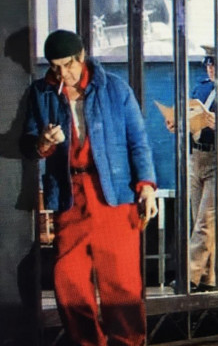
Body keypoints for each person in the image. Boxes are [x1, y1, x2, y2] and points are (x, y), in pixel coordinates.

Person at [20, 29, 158, 345]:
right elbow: (28, 143)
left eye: (67, 65)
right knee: (68, 281)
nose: (62, 74)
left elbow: (138, 141)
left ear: (81, 57)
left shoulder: (115, 89)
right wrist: (43, 142)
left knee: (121, 284)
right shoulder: (41, 93)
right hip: (69, 195)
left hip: (114, 195)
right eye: (54, 67)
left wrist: (147, 187)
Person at [165, 45, 218, 292]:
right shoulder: (201, 89)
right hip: (196, 157)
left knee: (205, 222)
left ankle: (188, 277)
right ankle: (208, 278)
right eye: (207, 64)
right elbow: (192, 119)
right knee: (201, 222)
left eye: (214, 64)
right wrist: (179, 125)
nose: (210, 68)